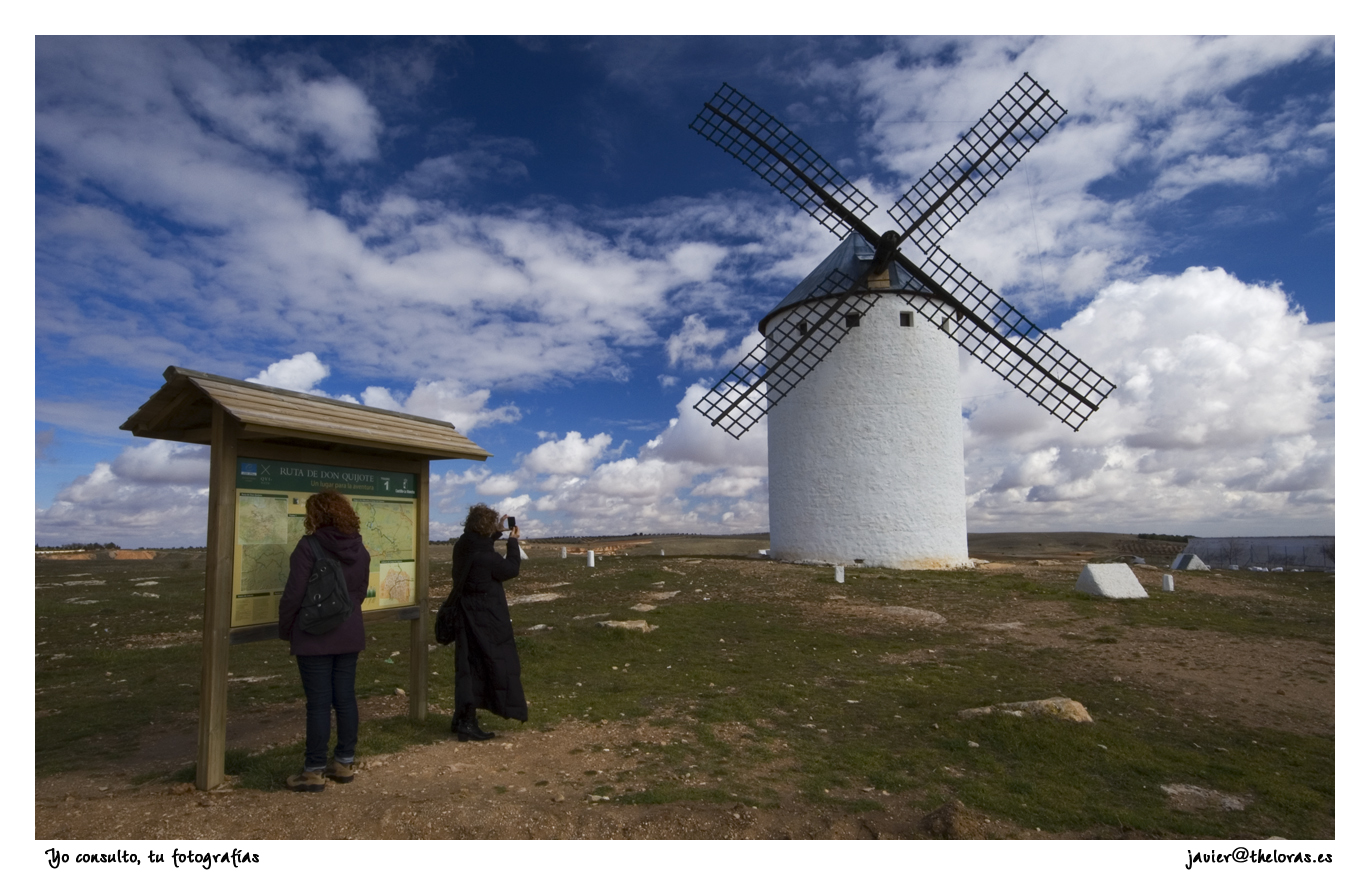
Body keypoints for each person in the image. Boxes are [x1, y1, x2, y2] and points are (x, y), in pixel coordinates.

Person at [277, 490, 370, 791]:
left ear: (316, 515)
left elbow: (294, 594)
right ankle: (344, 763)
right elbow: (358, 593)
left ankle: (313, 771)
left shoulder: (309, 546)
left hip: (314, 635)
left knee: (318, 703)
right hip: (348, 632)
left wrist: (287, 627)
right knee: (345, 698)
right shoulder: (360, 548)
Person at [448, 503, 528, 740]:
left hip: (465, 616)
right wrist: (512, 543)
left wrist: (496, 532)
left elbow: (479, 544)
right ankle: (467, 724)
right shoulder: (485, 557)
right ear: (486, 527)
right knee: (486, 668)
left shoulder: (463, 545)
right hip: (485, 620)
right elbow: (510, 569)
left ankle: (462, 718)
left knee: (467, 668)